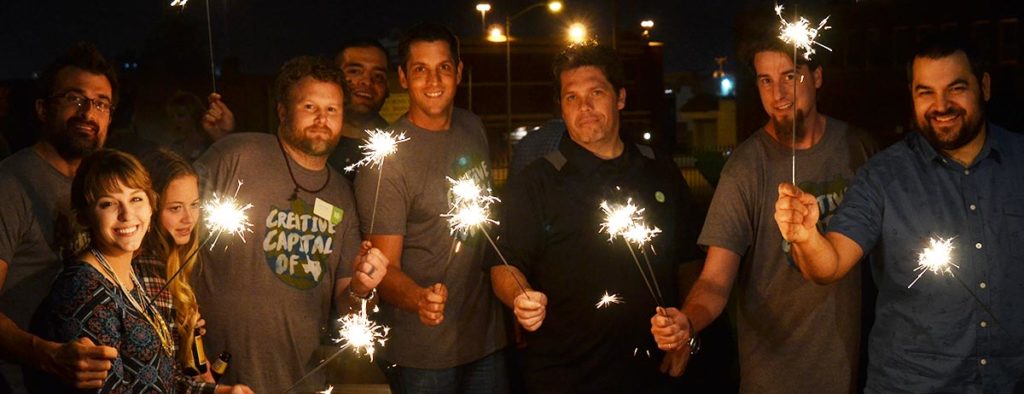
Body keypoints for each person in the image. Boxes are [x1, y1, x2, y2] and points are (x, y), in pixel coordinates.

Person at [775, 32, 1024, 392]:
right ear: (912, 95)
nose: (941, 105)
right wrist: (806, 237)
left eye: (956, 88)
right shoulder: (883, 176)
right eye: (926, 92)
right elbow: (829, 265)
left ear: (983, 86)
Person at [651, 33, 876, 393]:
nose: (778, 95)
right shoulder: (745, 168)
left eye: (791, 76)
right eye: (765, 81)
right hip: (772, 379)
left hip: (850, 374)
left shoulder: (859, 148)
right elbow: (714, 280)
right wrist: (687, 322)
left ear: (817, 77)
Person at [490, 43, 698, 393]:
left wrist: (687, 331)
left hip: (652, 371)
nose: (584, 107)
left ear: (620, 98)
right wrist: (520, 297)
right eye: (571, 98)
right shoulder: (537, 181)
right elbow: (504, 265)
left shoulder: (659, 169)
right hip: (563, 374)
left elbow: (690, 258)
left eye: (596, 93)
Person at [192, 56, 388, 393]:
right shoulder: (236, 155)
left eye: (332, 109)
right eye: (309, 105)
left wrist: (361, 286)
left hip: (302, 380)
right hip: (214, 375)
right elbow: (171, 233)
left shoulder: (342, 194)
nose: (321, 119)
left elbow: (346, 303)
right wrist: (186, 351)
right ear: (283, 111)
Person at [355, 23, 507, 393]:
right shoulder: (387, 158)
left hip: (487, 340)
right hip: (423, 353)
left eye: (444, 67)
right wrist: (419, 298)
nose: (434, 79)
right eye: (420, 69)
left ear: (459, 71)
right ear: (404, 78)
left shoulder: (473, 127)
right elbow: (383, 270)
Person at [0, 42, 119, 393]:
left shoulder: (103, 189)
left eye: (100, 103)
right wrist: (48, 355)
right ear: (42, 109)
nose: (88, 112)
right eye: (74, 98)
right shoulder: (11, 184)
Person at [28, 149, 181, 393]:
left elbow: (161, 380)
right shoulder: (84, 290)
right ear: (85, 217)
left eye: (136, 199)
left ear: (152, 206)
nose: (127, 215)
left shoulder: (130, 275)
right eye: (108, 203)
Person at [137, 149, 253, 394]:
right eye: (176, 208)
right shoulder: (146, 271)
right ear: (152, 208)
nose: (189, 218)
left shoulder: (175, 265)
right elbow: (156, 381)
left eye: (194, 205)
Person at [328, 38, 391, 180]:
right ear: (333, 78)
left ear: (387, 88)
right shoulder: (309, 145)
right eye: (355, 71)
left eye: (378, 76)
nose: (367, 81)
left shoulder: (399, 151)